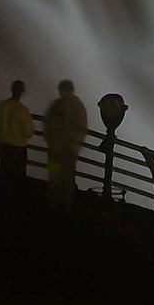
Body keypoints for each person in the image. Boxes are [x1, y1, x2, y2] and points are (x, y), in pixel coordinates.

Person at [44, 79, 87, 212]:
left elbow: (47, 125)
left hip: (55, 151)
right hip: (67, 153)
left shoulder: (56, 105)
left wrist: (51, 142)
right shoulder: (77, 106)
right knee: (67, 180)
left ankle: (54, 206)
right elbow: (82, 127)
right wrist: (74, 146)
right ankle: (65, 208)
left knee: (55, 178)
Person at [0, 80, 35, 208]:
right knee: (18, 179)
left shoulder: (2, 106)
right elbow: (29, 132)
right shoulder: (22, 110)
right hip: (18, 148)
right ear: (22, 92)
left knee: (4, 176)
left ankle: (0, 203)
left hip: (4, 147)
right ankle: (14, 207)